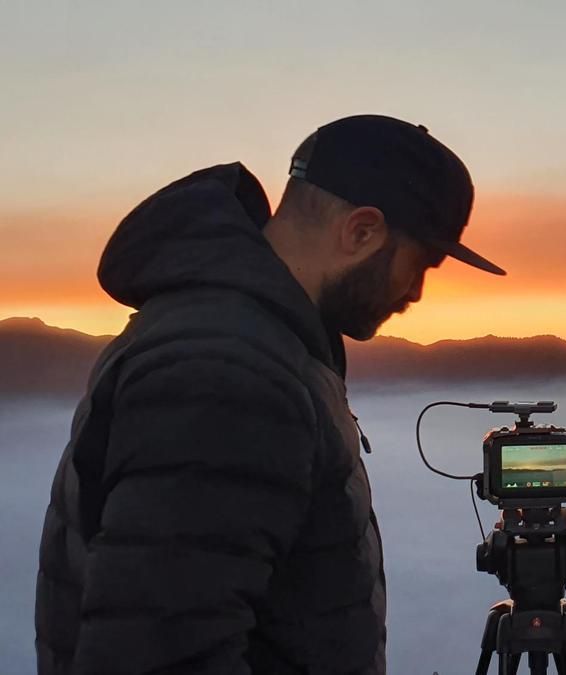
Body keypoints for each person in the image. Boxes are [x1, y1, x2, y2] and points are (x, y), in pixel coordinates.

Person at [35, 114, 505, 674]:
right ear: (361, 232)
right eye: (420, 263)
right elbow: (156, 659)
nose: (417, 292)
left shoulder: (248, 339)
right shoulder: (228, 374)